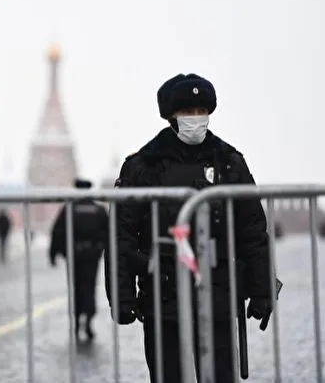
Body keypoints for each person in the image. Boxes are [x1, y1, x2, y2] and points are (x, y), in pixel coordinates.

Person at [105, 74, 273, 383]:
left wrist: (262, 290)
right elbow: (122, 234)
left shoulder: (229, 162)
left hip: (219, 295)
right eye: (187, 112)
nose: (195, 119)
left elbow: (252, 229)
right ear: (171, 116)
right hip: (163, 298)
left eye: (200, 111)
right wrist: (122, 296)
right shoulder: (143, 165)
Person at [49, 178, 109, 341]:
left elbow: (58, 231)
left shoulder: (69, 209)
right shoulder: (98, 210)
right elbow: (108, 232)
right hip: (91, 256)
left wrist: (55, 253)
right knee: (89, 289)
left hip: (74, 254)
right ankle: (88, 322)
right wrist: (100, 249)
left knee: (76, 288)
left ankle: (76, 324)